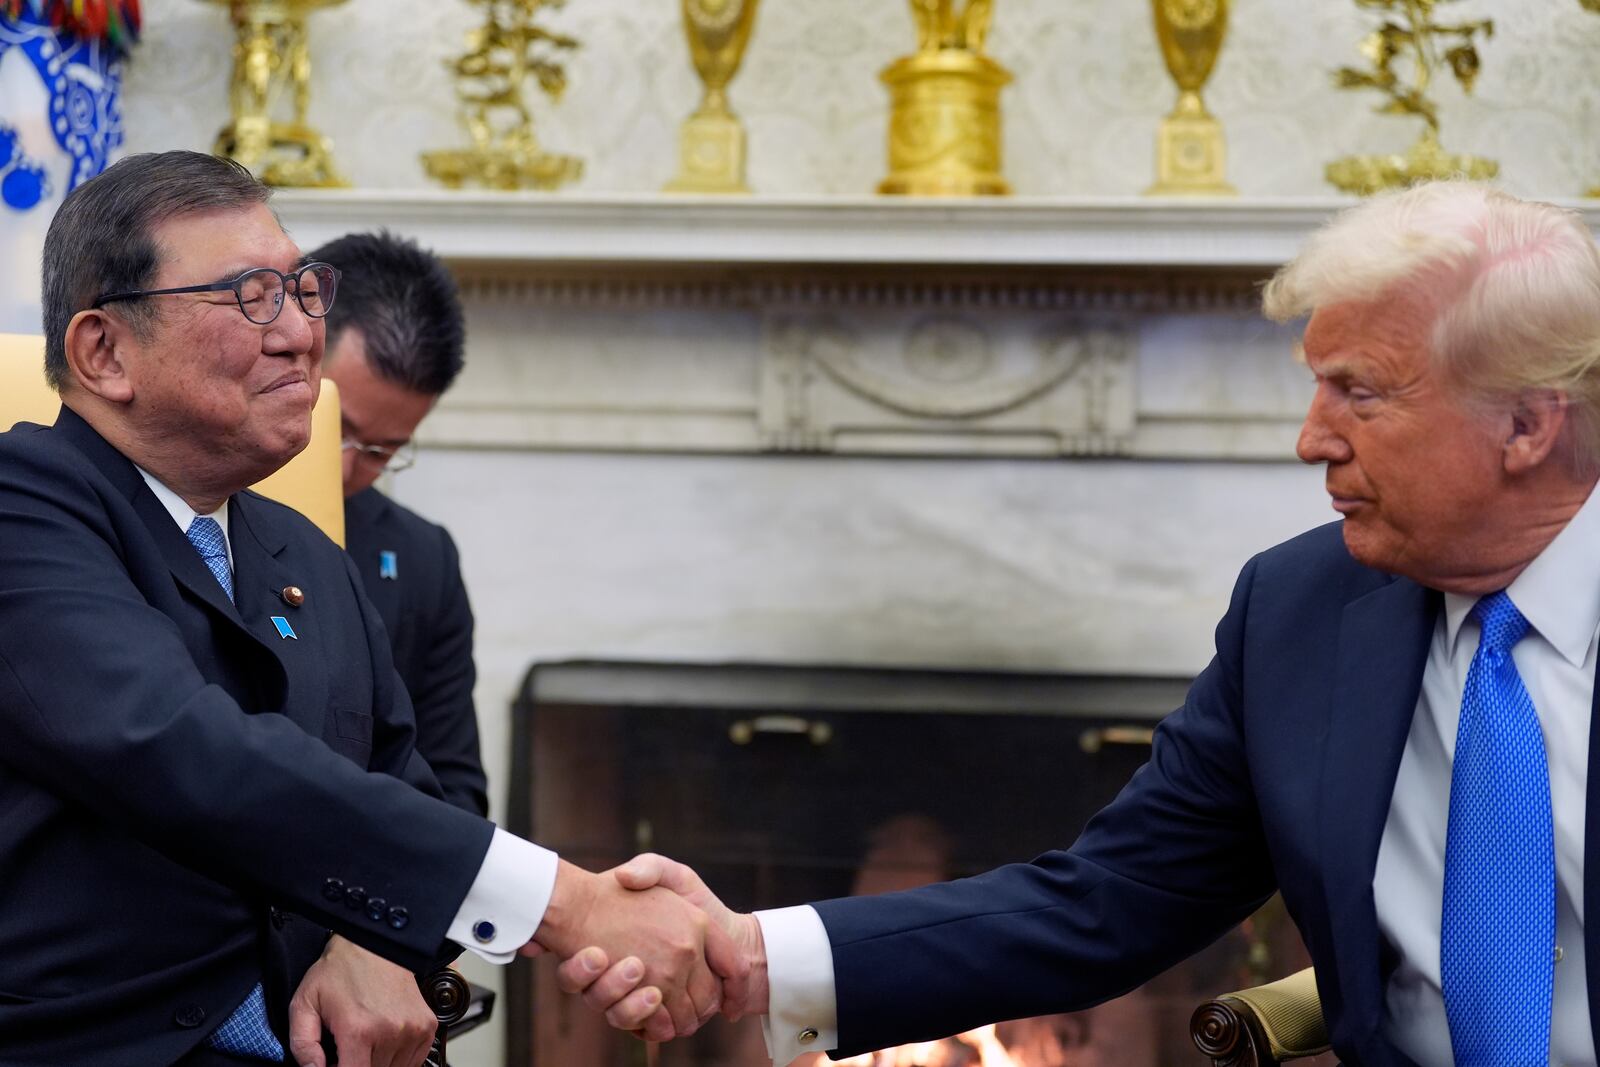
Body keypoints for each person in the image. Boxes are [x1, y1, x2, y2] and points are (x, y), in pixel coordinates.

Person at [559, 182, 1600, 1067]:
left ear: (1524, 423)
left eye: (1358, 393)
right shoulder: (1302, 611)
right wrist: (748, 948)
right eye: (1314, 387)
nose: (1309, 438)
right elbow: (1110, 896)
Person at [0, 150, 739, 1067]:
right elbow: (182, 747)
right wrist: (569, 903)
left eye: (305, 288)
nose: (301, 333)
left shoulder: (306, 550)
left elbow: (411, 786)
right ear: (104, 350)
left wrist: (377, 939)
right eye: (251, 297)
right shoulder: (21, 507)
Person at [307, 230, 486, 817]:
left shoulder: (424, 558)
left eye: (382, 451)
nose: (346, 468)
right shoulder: (187, 502)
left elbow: (454, 785)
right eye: (335, 426)